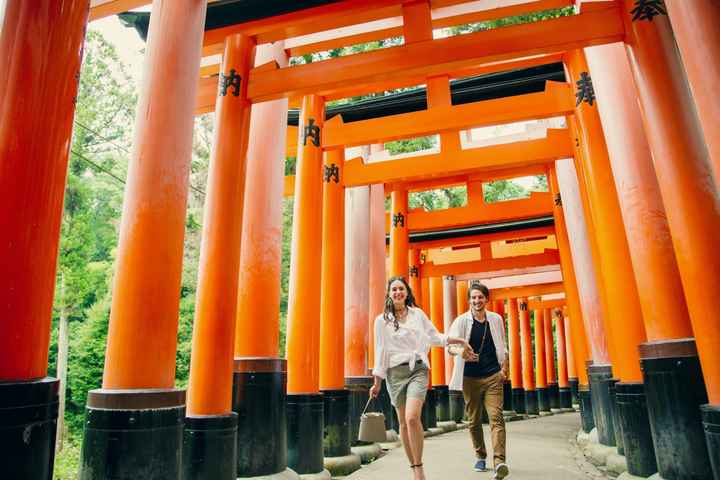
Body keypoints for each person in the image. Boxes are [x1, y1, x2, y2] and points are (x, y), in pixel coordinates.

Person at [370, 276, 471, 480]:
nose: (398, 292)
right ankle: (413, 465)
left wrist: (457, 340)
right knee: (403, 423)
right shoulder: (381, 321)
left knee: (412, 417)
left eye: (401, 289)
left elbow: (434, 336)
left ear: (407, 292)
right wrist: (377, 382)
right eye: (394, 289)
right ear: (389, 294)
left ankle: (419, 469)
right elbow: (380, 351)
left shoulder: (418, 315)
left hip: (418, 369)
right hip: (394, 374)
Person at [447, 281, 509, 479]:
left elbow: (503, 346)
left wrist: (503, 370)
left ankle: (499, 461)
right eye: (473, 297)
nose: (477, 300)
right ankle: (480, 455)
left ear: (486, 299)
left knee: (496, 418)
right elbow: (449, 346)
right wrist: (462, 353)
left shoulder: (496, 320)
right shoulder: (461, 321)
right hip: (470, 378)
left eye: (480, 297)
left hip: (493, 376)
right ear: (469, 300)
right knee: (473, 420)